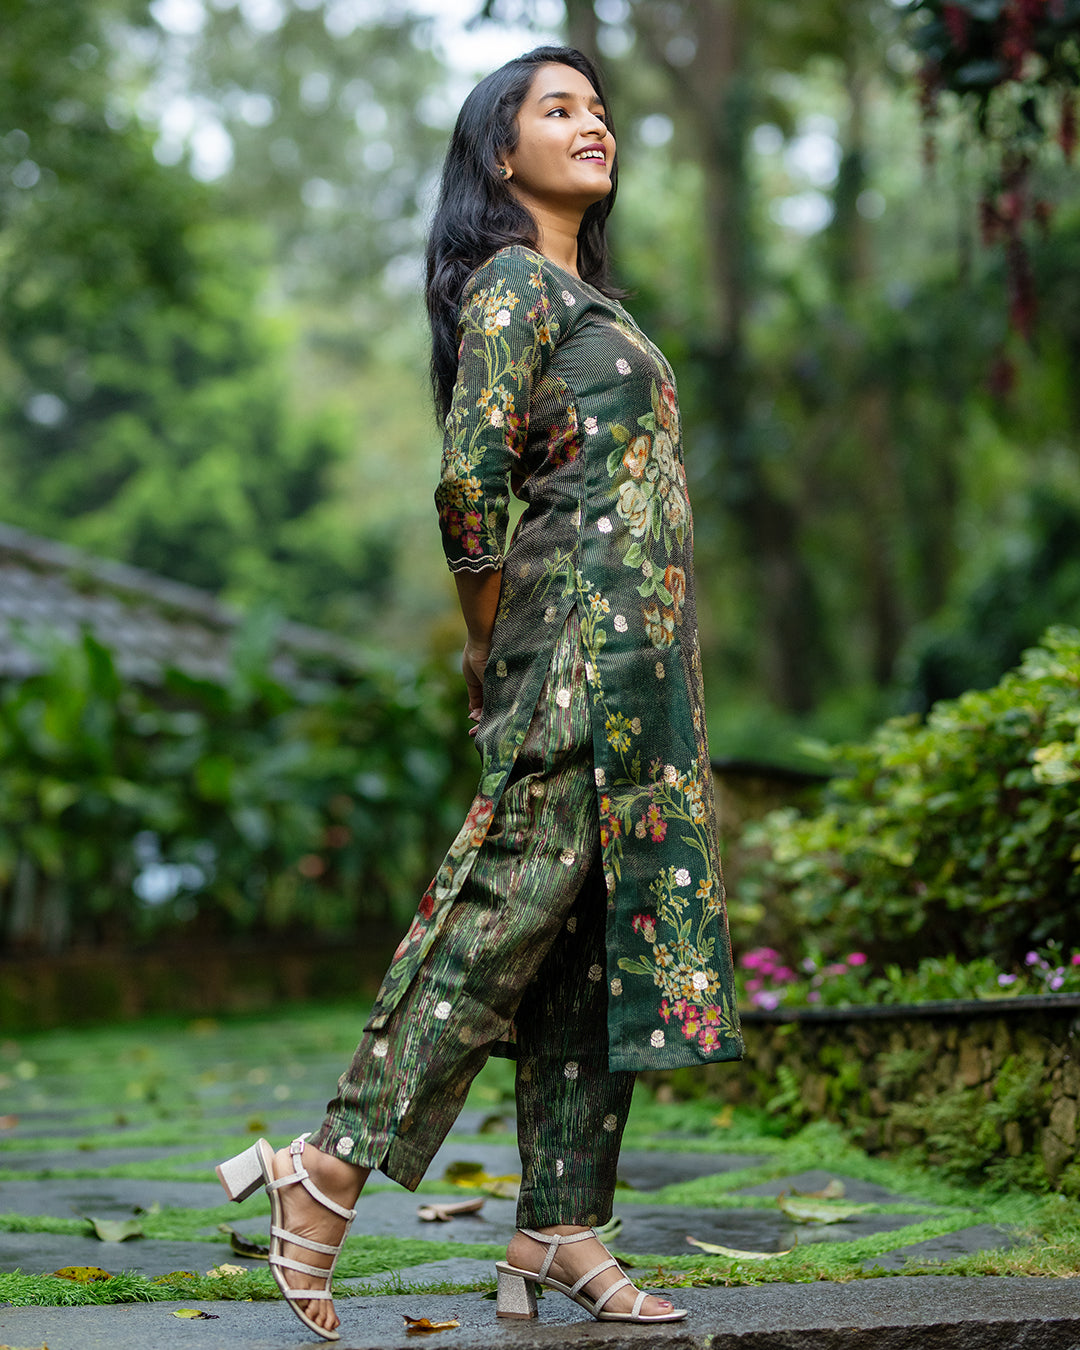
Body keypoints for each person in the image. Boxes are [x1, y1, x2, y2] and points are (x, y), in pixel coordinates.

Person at [215, 44, 743, 1342]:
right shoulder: (512, 282)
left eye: (599, 108)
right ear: (500, 153)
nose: (594, 124)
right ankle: (328, 1163)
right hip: (568, 648)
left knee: (592, 939)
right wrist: (484, 637)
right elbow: (470, 479)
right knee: (502, 910)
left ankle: (559, 1225)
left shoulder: (591, 298)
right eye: (559, 109)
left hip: (645, 674)